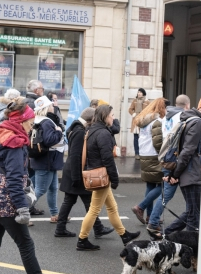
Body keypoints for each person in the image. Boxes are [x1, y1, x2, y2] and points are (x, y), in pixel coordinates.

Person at [0, 98, 70, 274]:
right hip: (8, 200)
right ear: (20, 122)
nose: (31, 126)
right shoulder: (15, 143)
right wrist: (23, 208)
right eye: (29, 122)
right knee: (25, 244)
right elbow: (14, 179)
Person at [77, 104, 141, 251]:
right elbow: (107, 159)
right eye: (112, 115)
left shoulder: (92, 130)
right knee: (94, 210)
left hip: (97, 173)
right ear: (105, 116)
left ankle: (124, 235)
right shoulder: (103, 133)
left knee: (112, 207)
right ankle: (82, 239)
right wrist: (115, 178)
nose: (113, 118)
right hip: (102, 175)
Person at [55, 107, 114, 238]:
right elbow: (76, 155)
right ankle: (97, 228)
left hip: (73, 171)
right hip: (75, 172)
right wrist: (77, 178)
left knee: (71, 201)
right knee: (87, 201)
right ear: (91, 119)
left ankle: (61, 228)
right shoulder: (80, 132)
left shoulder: (76, 128)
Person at [147, 95, 191, 236]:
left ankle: (153, 221)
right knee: (170, 194)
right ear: (187, 105)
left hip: (167, 158)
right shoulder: (182, 117)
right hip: (175, 159)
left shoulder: (167, 116)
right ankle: (153, 222)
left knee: (166, 193)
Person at [163, 95, 201, 236]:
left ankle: (168, 234)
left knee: (192, 211)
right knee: (194, 216)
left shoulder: (188, 119)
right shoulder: (198, 122)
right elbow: (187, 151)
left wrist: (174, 174)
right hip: (193, 174)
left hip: (188, 173)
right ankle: (191, 249)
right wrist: (175, 174)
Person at [130, 98, 166, 225]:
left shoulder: (145, 121)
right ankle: (140, 207)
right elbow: (158, 142)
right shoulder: (156, 122)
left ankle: (150, 216)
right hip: (154, 156)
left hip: (144, 155)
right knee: (162, 186)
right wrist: (163, 154)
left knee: (150, 185)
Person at [30, 96, 65, 222]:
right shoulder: (47, 122)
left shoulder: (38, 120)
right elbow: (50, 140)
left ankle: (55, 214)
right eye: (50, 105)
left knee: (52, 188)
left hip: (47, 160)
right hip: (47, 161)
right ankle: (22, 212)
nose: (53, 106)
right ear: (46, 108)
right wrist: (59, 131)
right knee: (40, 189)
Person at [128, 88, 149, 160]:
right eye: (138, 92)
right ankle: (137, 153)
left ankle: (142, 153)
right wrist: (133, 113)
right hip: (136, 120)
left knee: (143, 137)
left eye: (140, 92)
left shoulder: (147, 101)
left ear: (143, 93)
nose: (139, 93)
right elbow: (130, 109)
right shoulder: (134, 100)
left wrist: (145, 116)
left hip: (143, 120)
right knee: (136, 137)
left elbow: (149, 110)